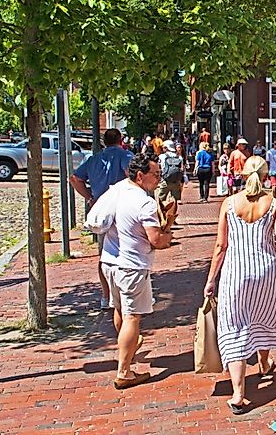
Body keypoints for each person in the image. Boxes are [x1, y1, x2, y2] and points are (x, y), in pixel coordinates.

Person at [203, 155, 276, 414]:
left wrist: (210, 280)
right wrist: (268, 245)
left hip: (235, 273)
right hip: (266, 273)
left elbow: (221, 246)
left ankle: (239, 394)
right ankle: (264, 363)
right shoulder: (274, 204)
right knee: (263, 318)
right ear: (266, 175)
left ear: (242, 173)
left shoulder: (229, 204)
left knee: (234, 327)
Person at [112, 152, 174, 389]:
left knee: (120, 310)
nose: (159, 179)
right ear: (140, 176)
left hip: (115, 261)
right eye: (156, 174)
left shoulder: (120, 192)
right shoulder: (145, 201)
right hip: (134, 264)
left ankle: (126, 356)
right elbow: (155, 239)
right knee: (132, 318)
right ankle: (124, 370)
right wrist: (168, 235)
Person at [70, 128, 134, 309]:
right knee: (127, 251)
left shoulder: (93, 159)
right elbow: (132, 173)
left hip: (101, 210)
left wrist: (90, 198)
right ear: (120, 140)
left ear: (104, 142)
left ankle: (106, 296)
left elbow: (74, 179)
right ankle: (124, 293)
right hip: (122, 209)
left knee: (104, 255)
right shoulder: (125, 155)